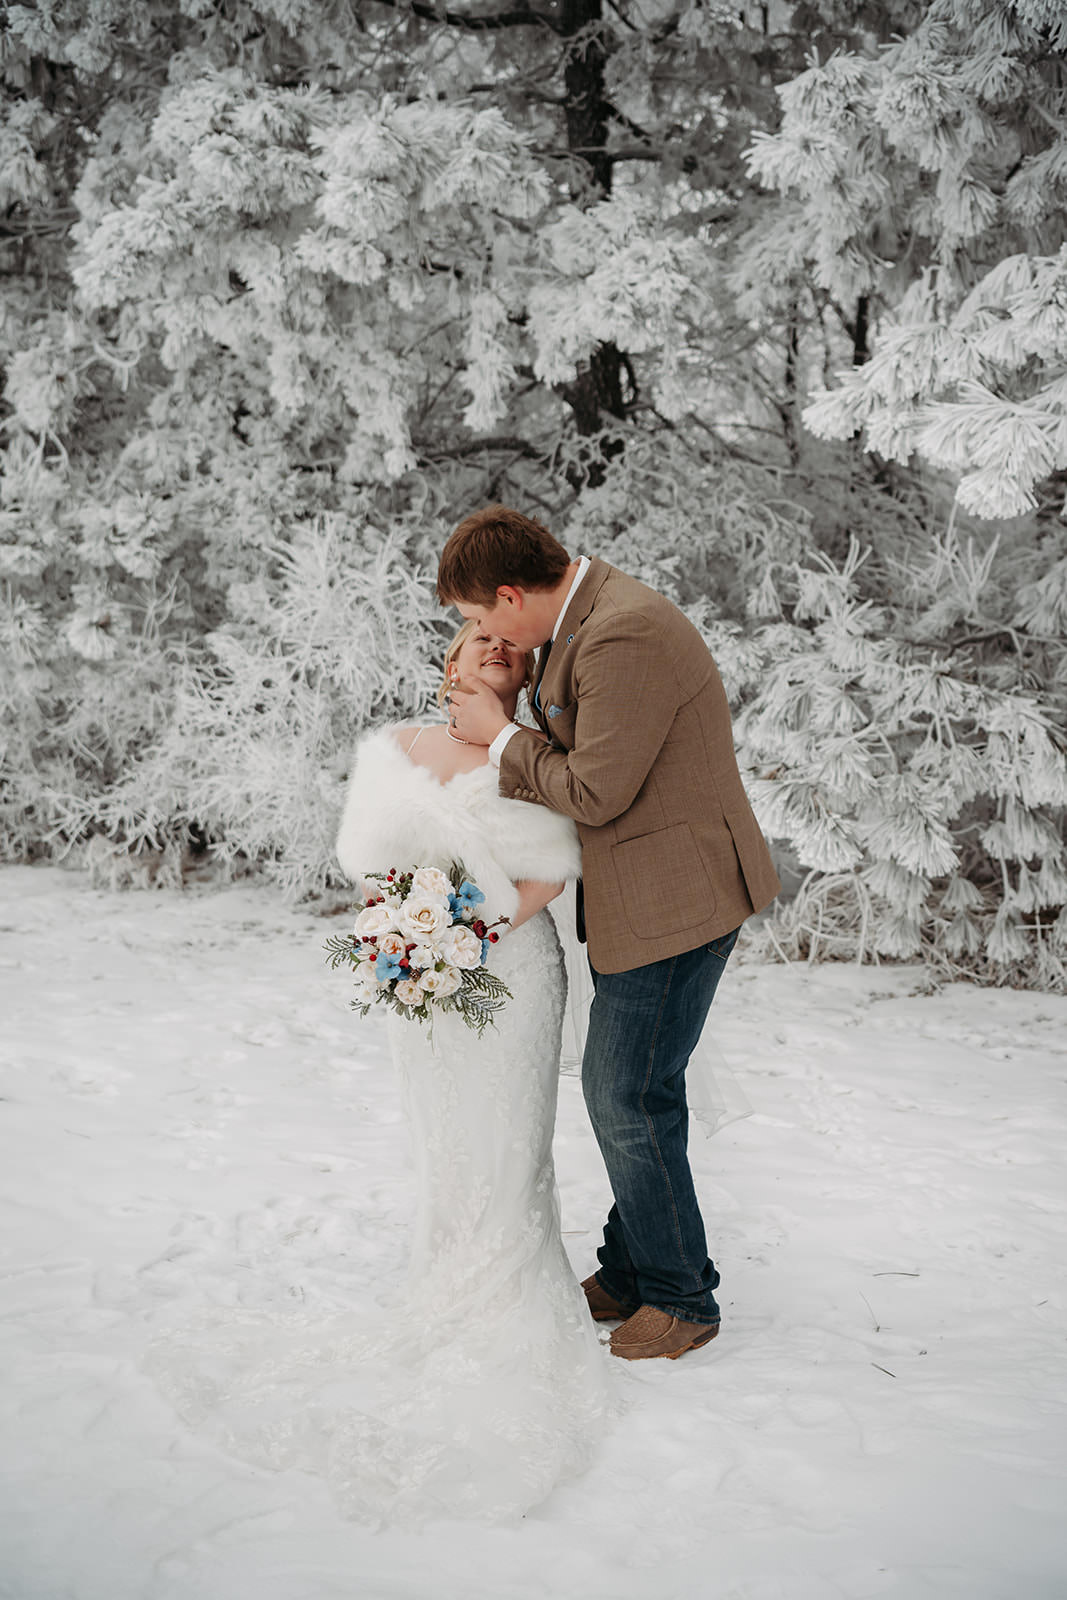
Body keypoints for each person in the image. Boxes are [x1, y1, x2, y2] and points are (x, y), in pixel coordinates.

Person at [145, 621, 611, 1527]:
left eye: (510, 650)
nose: (494, 650)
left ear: (526, 677)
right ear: (451, 657)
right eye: (480, 639)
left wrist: (465, 938)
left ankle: (508, 1286)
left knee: (508, 1135)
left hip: (509, 972)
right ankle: (443, 1269)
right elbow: (367, 861)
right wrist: (406, 934)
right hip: (415, 969)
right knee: (442, 1134)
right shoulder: (394, 750)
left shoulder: (538, 756)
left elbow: (548, 874)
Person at [440, 505, 780, 1362]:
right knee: (633, 1088)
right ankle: (630, 1271)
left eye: (481, 617)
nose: (483, 633)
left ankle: (679, 1299)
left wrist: (500, 737)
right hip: (647, 894)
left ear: (511, 594)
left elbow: (595, 791)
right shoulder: (578, 622)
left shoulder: (621, 633)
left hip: (679, 898)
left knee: (626, 1094)